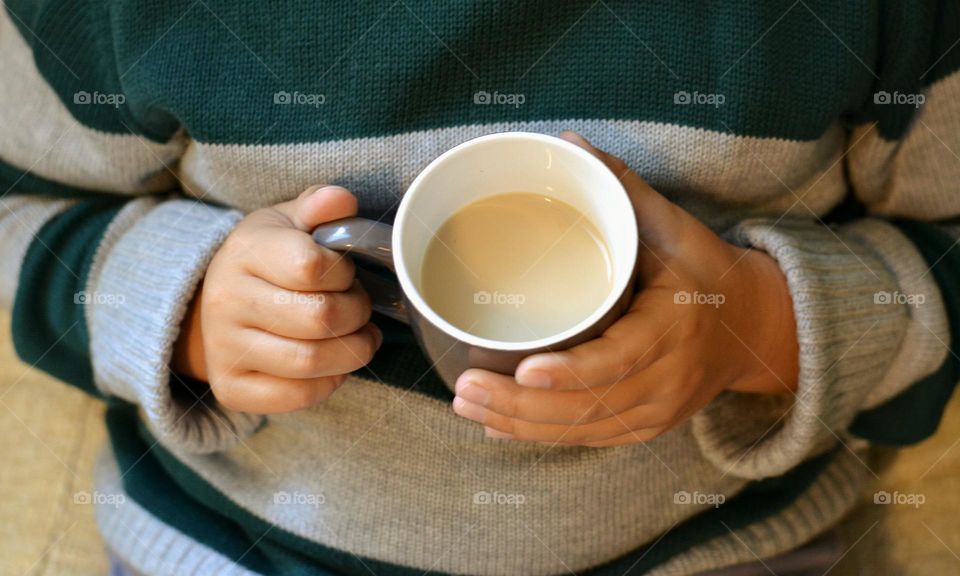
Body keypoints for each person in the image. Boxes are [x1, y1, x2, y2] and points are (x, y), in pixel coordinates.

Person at [1, 1, 958, 574]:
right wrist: (184, 303)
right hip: (236, 544)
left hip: (719, 547)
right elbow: (19, 212)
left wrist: (763, 325)